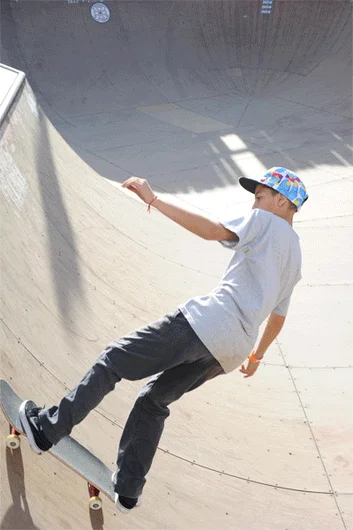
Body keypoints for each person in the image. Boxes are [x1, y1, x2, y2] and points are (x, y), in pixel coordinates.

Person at [19, 167, 308, 513]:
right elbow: (278, 316)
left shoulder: (266, 222)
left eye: (259, 197)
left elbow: (213, 231)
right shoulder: (296, 257)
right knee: (154, 401)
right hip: (231, 352)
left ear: (281, 200)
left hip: (206, 324)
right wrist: (257, 356)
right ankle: (127, 490)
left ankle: (46, 430)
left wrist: (154, 200)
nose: (254, 204)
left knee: (114, 361)